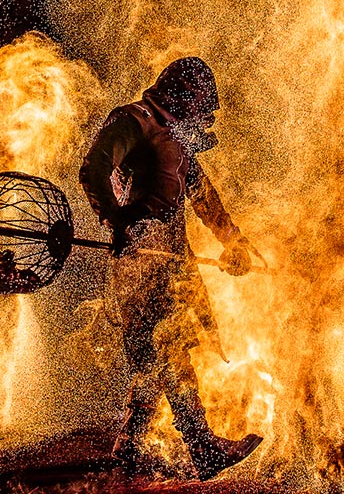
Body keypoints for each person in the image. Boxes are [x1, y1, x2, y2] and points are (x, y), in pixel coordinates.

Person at [79, 57, 263, 480]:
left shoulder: (178, 139)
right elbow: (95, 167)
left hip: (171, 262)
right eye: (201, 104)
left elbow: (201, 196)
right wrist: (119, 223)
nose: (204, 115)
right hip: (142, 263)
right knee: (168, 346)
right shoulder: (136, 121)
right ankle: (203, 446)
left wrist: (233, 240)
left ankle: (129, 446)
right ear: (186, 96)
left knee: (154, 354)